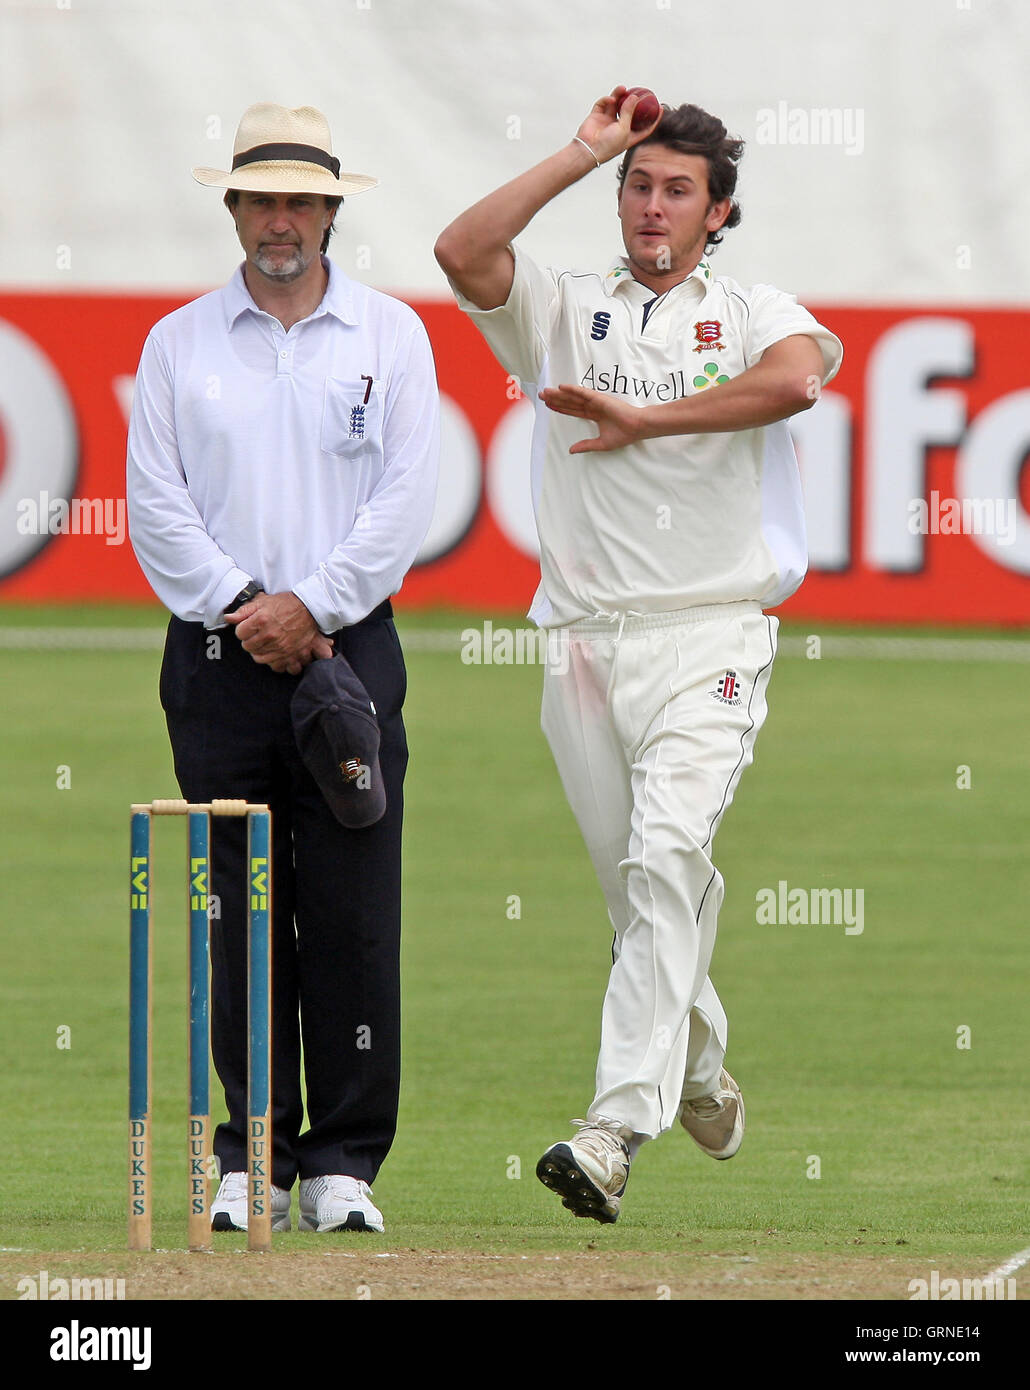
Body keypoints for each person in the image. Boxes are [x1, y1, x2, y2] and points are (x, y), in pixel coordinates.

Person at [435, 88, 842, 1223]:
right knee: (640, 902)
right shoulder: (561, 306)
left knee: (668, 860)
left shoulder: (756, 305)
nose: (652, 206)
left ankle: (612, 1129)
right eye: (638, 184)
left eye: (677, 190)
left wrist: (643, 418)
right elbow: (461, 249)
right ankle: (702, 1069)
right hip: (580, 646)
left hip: (712, 632)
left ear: (719, 213)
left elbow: (798, 378)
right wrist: (582, 148)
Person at [127, 103, 439, 1234]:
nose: (281, 221)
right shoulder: (180, 341)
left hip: (349, 651)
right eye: (262, 200)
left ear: (331, 211)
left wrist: (313, 607)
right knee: (237, 906)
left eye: (301, 201)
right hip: (217, 654)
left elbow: (406, 500)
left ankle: (344, 1163)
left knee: (354, 907)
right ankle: (249, 1151)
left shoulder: (391, 335)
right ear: (233, 209)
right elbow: (155, 506)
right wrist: (245, 607)